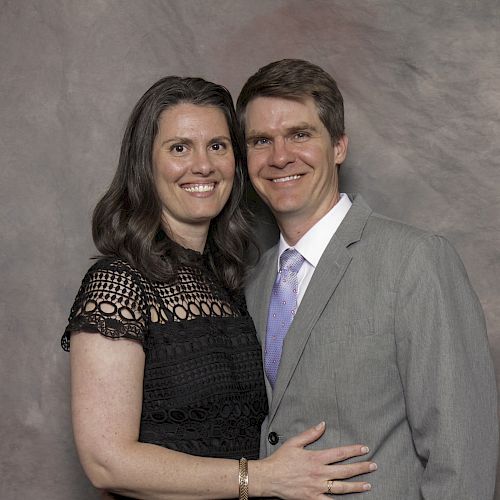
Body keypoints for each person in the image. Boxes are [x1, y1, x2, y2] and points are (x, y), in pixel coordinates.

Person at [62, 75, 377, 499]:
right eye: (179, 148)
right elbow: (107, 461)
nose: (203, 166)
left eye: (217, 146)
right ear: (145, 164)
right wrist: (262, 479)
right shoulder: (119, 284)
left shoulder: (235, 283)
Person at [236, 59, 499, 499]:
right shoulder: (252, 281)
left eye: (300, 135)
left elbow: (463, 454)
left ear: (339, 145)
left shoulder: (415, 261)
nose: (280, 156)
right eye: (262, 140)